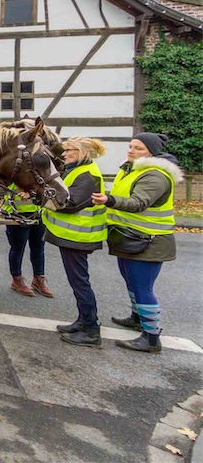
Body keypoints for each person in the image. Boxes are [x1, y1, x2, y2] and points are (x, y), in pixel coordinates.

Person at [91, 132, 182, 353]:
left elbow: (139, 203)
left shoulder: (155, 175)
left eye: (138, 148)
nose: (131, 150)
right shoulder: (133, 170)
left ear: (151, 152)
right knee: (131, 280)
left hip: (149, 241)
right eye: (131, 146)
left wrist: (109, 200)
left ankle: (151, 338)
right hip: (131, 237)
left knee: (143, 287)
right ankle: (137, 317)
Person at [44, 137, 108, 348]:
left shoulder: (87, 175)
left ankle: (91, 330)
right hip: (73, 237)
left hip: (78, 237)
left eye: (68, 150)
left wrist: (39, 199)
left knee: (80, 283)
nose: (63, 154)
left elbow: (68, 203)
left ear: (82, 153)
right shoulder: (76, 170)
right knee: (78, 281)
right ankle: (82, 321)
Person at [2, 183, 52, 297]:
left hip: (38, 213)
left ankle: (38, 278)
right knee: (18, 248)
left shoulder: (39, 170)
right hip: (16, 213)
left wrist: (32, 192)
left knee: (38, 248)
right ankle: (16, 279)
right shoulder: (16, 167)